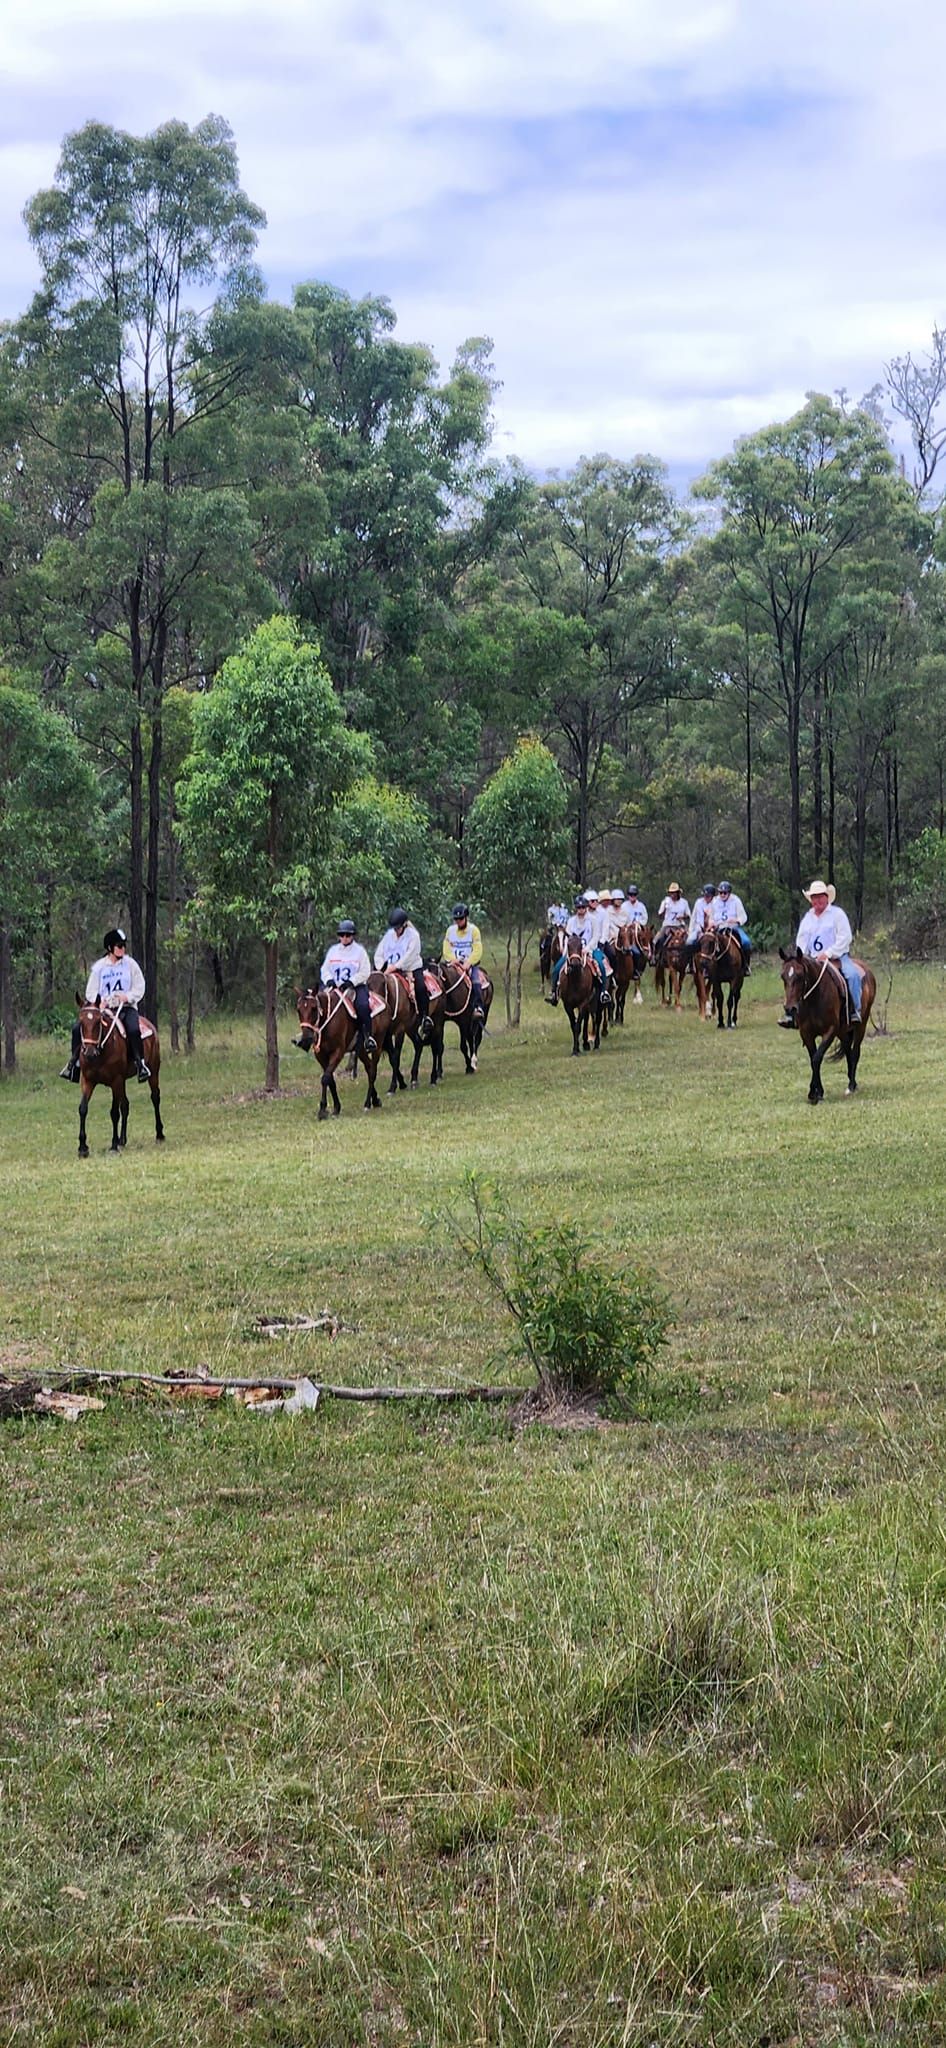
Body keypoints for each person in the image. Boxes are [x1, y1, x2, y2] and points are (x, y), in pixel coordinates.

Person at [60, 927, 150, 1083]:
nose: (123, 948)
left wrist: (127, 997)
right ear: (110, 947)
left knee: (134, 1029)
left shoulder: (131, 965)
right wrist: (99, 1002)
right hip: (104, 1010)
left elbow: (140, 986)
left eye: (123, 945)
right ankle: (74, 1064)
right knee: (77, 1029)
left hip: (126, 1007)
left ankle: (140, 1064)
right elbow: (90, 991)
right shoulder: (99, 967)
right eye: (119, 945)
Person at [780, 879, 862, 1026]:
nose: (817, 900)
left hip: (837, 957)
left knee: (852, 975)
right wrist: (802, 957)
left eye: (820, 896)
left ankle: (854, 1011)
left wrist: (829, 953)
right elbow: (802, 940)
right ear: (811, 900)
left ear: (826, 897)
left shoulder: (837, 914)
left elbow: (845, 937)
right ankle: (792, 1014)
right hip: (812, 960)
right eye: (814, 897)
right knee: (794, 979)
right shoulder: (808, 918)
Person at [320, 919, 377, 1053]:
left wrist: (352, 982)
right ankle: (313, 1036)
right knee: (317, 1004)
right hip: (335, 987)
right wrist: (329, 980)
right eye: (342, 935)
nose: (344, 938)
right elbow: (325, 969)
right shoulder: (333, 951)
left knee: (363, 1006)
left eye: (348, 935)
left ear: (353, 936)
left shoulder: (360, 951)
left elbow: (365, 971)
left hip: (355, 987)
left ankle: (368, 1037)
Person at [374, 907, 431, 1040]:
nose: (396, 930)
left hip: (409, 968)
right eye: (394, 928)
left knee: (421, 987)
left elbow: (410, 955)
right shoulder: (389, 935)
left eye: (398, 927)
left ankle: (424, 1017)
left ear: (404, 925)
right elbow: (379, 952)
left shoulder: (413, 936)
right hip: (387, 969)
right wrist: (380, 967)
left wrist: (395, 967)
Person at [442, 904, 486, 1019]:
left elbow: (477, 949)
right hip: (453, 963)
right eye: (456, 919)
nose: (458, 922)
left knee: (476, 981)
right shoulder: (450, 931)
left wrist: (469, 963)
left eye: (461, 919)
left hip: (469, 964)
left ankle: (478, 1007)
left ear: (466, 918)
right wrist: (452, 960)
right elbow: (446, 948)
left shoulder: (474, 931)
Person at [710, 880, 751, 971]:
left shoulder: (736, 900)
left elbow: (743, 916)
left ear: (729, 893)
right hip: (719, 928)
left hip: (733, 927)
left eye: (725, 893)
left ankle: (746, 966)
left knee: (746, 942)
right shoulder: (715, 901)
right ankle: (707, 968)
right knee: (707, 942)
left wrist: (736, 920)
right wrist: (712, 923)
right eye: (720, 893)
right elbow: (711, 917)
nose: (722, 895)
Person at [652, 881, 691, 964]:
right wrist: (664, 909)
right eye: (671, 893)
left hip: (679, 926)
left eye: (674, 893)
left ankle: (690, 961)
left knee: (689, 940)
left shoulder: (684, 902)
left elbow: (688, 915)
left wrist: (682, 917)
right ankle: (656, 956)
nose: (672, 895)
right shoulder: (665, 901)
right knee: (657, 939)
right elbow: (660, 915)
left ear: (678, 893)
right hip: (667, 925)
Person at [684, 882, 716, 970]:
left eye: (708, 896)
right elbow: (693, 917)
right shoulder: (698, 902)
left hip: (712, 929)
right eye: (705, 895)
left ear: (712, 896)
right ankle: (690, 964)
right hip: (699, 929)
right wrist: (690, 930)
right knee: (689, 942)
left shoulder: (716, 903)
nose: (706, 897)